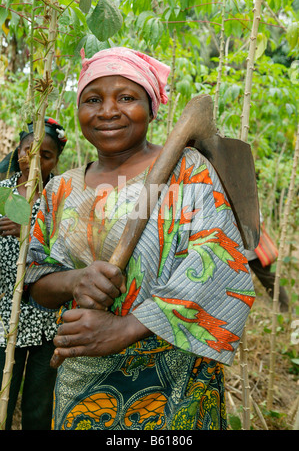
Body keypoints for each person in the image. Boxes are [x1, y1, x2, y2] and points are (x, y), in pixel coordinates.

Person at [25, 47, 255, 431]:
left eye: (127, 98)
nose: (108, 111)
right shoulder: (60, 190)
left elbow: (219, 264)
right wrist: (74, 280)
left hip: (175, 379)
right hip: (84, 380)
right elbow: (34, 280)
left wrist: (126, 328)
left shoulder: (188, 171)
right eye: (93, 99)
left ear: (152, 108)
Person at [0, 117, 67, 430]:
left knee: (40, 404)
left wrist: (29, 230)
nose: (35, 161)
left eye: (46, 155)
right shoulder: (2, 192)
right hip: (4, 316)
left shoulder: (64, 198)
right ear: (18, 151)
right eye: (29, 150)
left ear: (56, 160)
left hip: (47, 318)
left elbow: (75, 253)